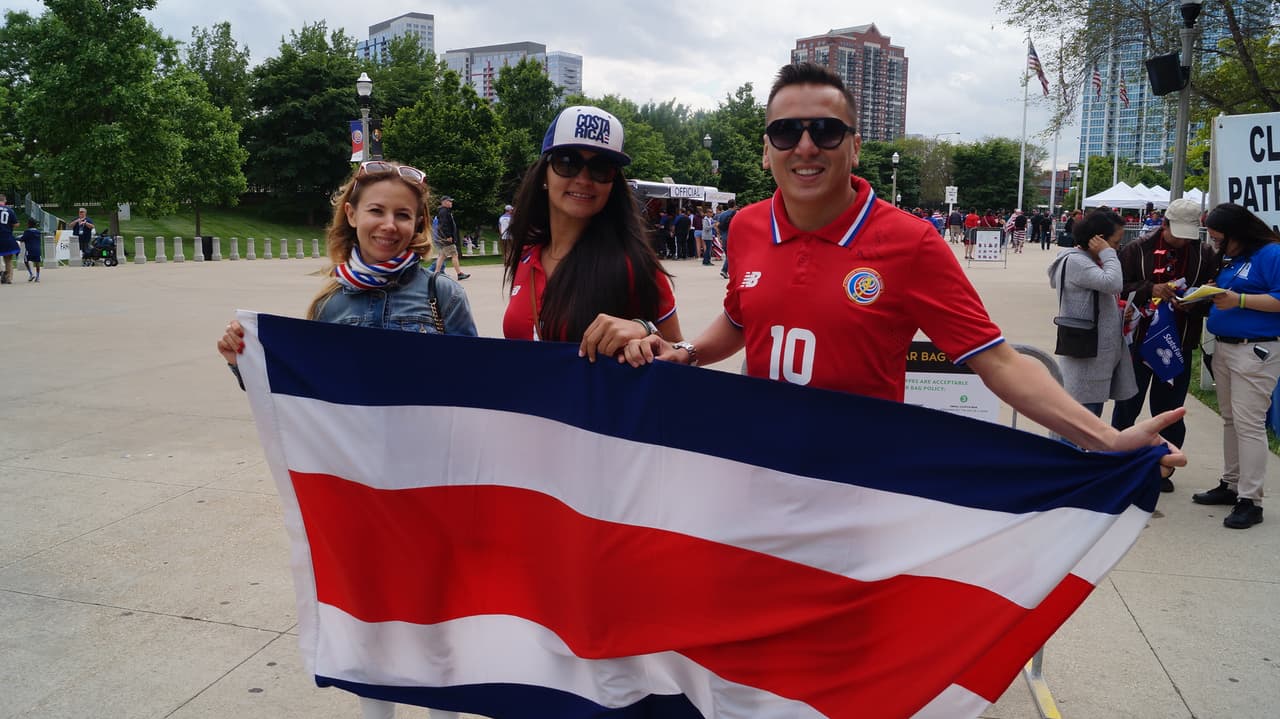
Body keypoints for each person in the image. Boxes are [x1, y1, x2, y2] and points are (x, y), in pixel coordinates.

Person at [622, 61, 1185, 467]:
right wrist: (691, 352)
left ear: (855, 146)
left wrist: (1101, 438)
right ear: (767, 149)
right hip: (760, 466)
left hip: (862, 482)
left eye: (826, 130)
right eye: (786, 131)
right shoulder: (745, 226)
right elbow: (743, 319)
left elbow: (1000, 363)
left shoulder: (909, 242)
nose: (806, 145)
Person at [216, 160, 472, 719]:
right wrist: (246, 360)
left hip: (431, 484)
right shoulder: (332, 306)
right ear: (351, 214)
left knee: (437, 609)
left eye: (404, 214)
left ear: (420, 223)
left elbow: (477, 393)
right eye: (377, 210)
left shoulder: (441, 295)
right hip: (359, 490)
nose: (390, 224)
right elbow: (301, 399)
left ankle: (443, 710)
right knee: (368, 610)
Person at [501, 105, 683, 361]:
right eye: (567, 163)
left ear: (613, 184)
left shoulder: (634, 263)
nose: (584, 179)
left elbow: (680, 355)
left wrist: (645, 329)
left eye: (601, 168)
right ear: (544, 174)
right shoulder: (527, 256)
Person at [1110, 198, 1218, 492]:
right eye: (1177, 233)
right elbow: (1117, 286)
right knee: (1127, 405)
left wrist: (1193, 302)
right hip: (1138, 342)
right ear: (1165, 224)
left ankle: (1163, 469)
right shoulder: (1137, 249)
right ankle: (1118, 464)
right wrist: (1149, 289)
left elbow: (1212, 295)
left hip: (1180, 341)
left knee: (1169, 410)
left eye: (1189, 235)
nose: (1183, 241)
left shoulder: (1204, 252)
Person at [1191, 203, 1280, 529]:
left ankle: (1251, 500)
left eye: (1219, 239)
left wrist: (1238, 300)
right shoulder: (1239, 257)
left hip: (1255, 351)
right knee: (1231, 420)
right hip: (1227, 348)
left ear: (1237, 234)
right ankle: (1231, 484)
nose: (1216, 245)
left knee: (1249, 424)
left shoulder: (1272, 254)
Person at [1047, 210, 1136, 418]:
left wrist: (1120, 309)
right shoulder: (1078, 261)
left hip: (1094, 359)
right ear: (1099, 240)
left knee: (1088, 419)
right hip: (1086, 360)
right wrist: (1108, 253)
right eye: (1115, 242)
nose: (1117, 248)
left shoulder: (1085, 260)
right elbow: (1113, 283)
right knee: (1080, 426)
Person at [432, 196, 469, 281]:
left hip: (443, 237)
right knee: (454, 254)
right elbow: (444, 225)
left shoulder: (444, 211)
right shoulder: (444, 212)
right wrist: (448, 236)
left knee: (442, 255)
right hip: (446, 238)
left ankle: (436, 273)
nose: (451, 203)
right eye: (449, 201)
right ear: (444, 202)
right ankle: (459, 274)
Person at [716, 200, 737, 279]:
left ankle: (729, 271)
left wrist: (719, 235)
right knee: (731, 255)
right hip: (732, 237)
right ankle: (724, 270)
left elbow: (717, 225)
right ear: (734, 205)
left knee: (728, 254)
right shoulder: (736, 213)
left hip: (724, 236)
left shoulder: (721, 214)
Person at [0, 194, 17, 284]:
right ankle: (9, 278)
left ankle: (1, 272)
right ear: (5, 200)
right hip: (7, 237)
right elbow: (16, 224)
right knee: (8, 259)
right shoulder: (10, 210)